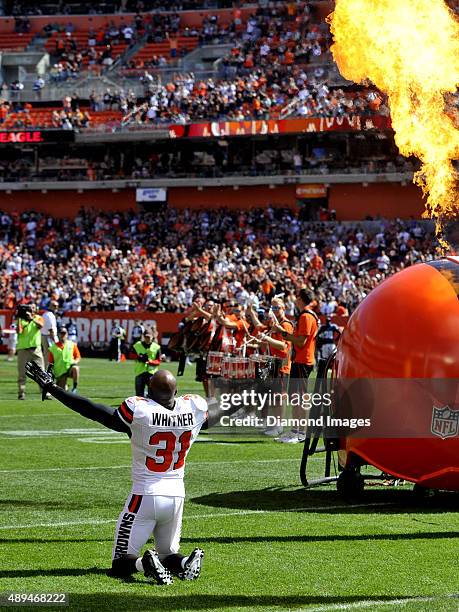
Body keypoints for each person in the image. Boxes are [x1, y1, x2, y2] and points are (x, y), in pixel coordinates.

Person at [25, 364, 234, 585]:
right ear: (176, 390)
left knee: (119, 563)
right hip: (177, 495)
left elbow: (93, 410)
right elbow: (225, 411)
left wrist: (53, 388)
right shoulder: (193, 408)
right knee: (168, 553)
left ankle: (145, 564)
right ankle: (183, 564)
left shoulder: (140, 411)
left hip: (144, 495)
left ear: (149, 391)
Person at [275, 289, 319, 443]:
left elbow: (301, 341)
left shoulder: (306, 316)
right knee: (295, 397)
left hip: (303, 360)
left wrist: (285, 335)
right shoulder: (305, 315)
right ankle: (295, 430)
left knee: (300, 398)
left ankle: (301, 432)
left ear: (300, 299)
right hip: (299, 360)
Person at [16, 303, 45, 400]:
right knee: (22, 373)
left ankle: (45, 392)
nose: (31, 309)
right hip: (23, 349)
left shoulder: (39, 318)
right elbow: (18, 331)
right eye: (29, 308)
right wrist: (21, 318)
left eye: (33, 307)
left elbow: (40, 326)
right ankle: (21, 393)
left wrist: (31, 318)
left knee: (41, 372)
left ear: (36, 309)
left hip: (36, 349)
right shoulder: (21, 319)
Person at [48, 326, 81, 392]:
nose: (63, 335)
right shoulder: (53, 347)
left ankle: (75, 387)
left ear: (67, 334)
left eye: (64, 333)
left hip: (69, 368)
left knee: (76, 368)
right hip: (59, 371)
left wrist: (75, 361)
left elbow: (78, 356)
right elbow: (51, 362)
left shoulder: (72, 344)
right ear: (58, 334)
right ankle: (65, 385)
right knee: (62, 391)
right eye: (61, 333)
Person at [133, 329, 161, 396]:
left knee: (152, 394)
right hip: (139, 371)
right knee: (139, 395)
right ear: (143, 336)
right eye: (146, 337)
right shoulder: (137, 345)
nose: (147, 338)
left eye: (149, 337)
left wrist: (150, 362)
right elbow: (131, 355)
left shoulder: (156, 347)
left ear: (152, 337)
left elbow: (158, 361)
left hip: (151, 373)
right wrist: (139, 357)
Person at [41, 301, 58, 368]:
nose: (56, 307)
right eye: (54, 305)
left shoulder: (47, 314)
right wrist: (55, 341)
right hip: (48, 338)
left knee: (48, 356)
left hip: (47, 336)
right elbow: (51, 330)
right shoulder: (49, 315)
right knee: (49, 356)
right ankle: (48, 372)